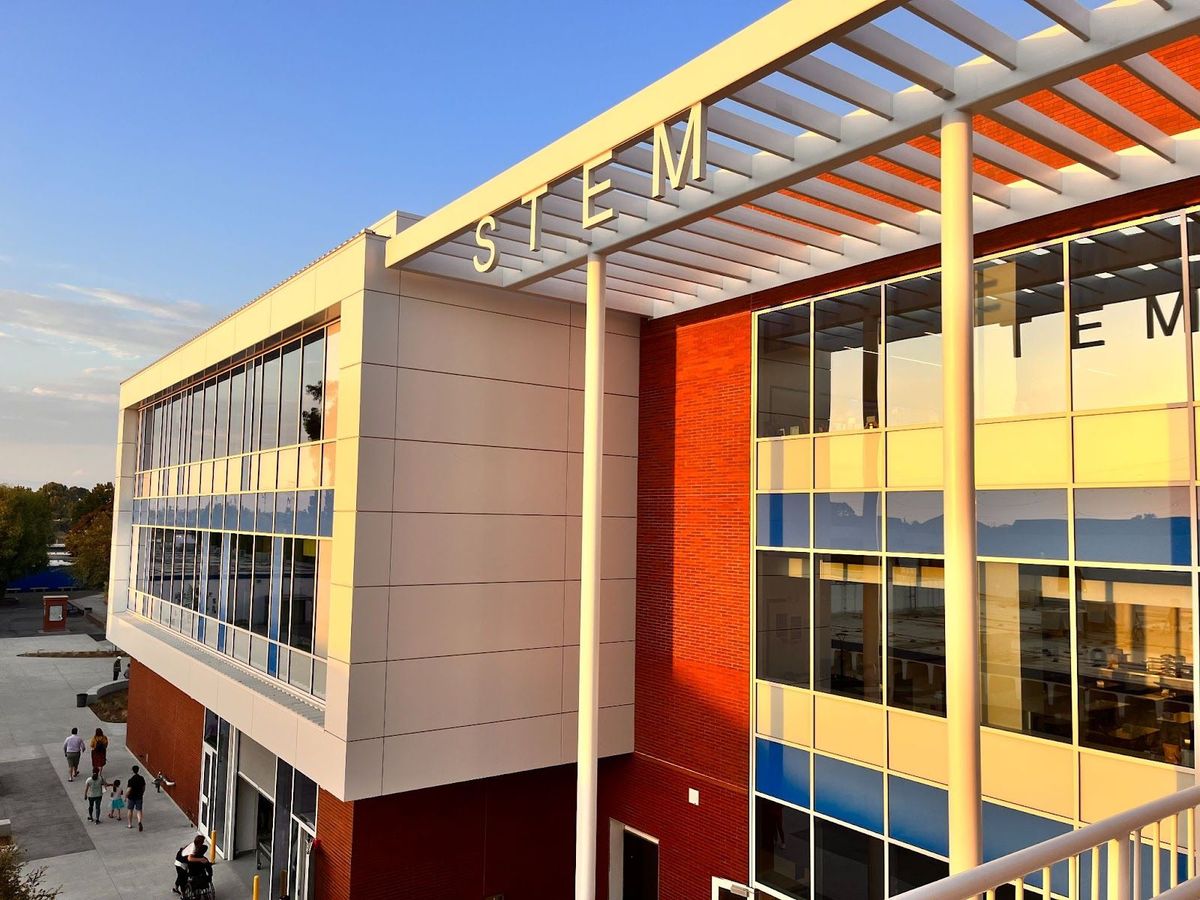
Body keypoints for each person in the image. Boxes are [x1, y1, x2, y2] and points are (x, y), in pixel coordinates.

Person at [126, 764, 146, 831]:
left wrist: (126, 796)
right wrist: (142, 793)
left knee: (130, 810)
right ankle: (139, 821)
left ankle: (129, 824)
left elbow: (129, 789)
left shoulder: (131, 780)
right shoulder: (141, 778)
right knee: (139, 810)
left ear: (132, 771)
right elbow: (143, 787)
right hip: (139, 796)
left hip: (131, 797)